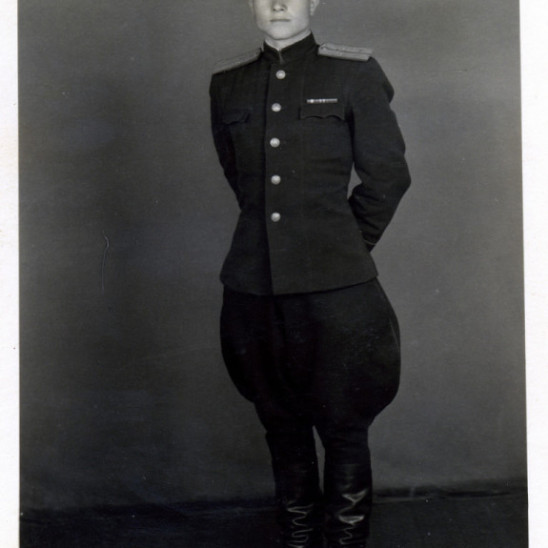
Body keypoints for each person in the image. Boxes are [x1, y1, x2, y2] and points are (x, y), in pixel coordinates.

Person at [209, 1, 411, 546]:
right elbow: (242, 182)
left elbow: (388, 176)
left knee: (345, 426)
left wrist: (340, 248)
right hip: (254, 289)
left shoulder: (353, 73)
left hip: (337, 292)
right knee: (281, 424)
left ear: (314, 1)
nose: (278, 3)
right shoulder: (227, 83)